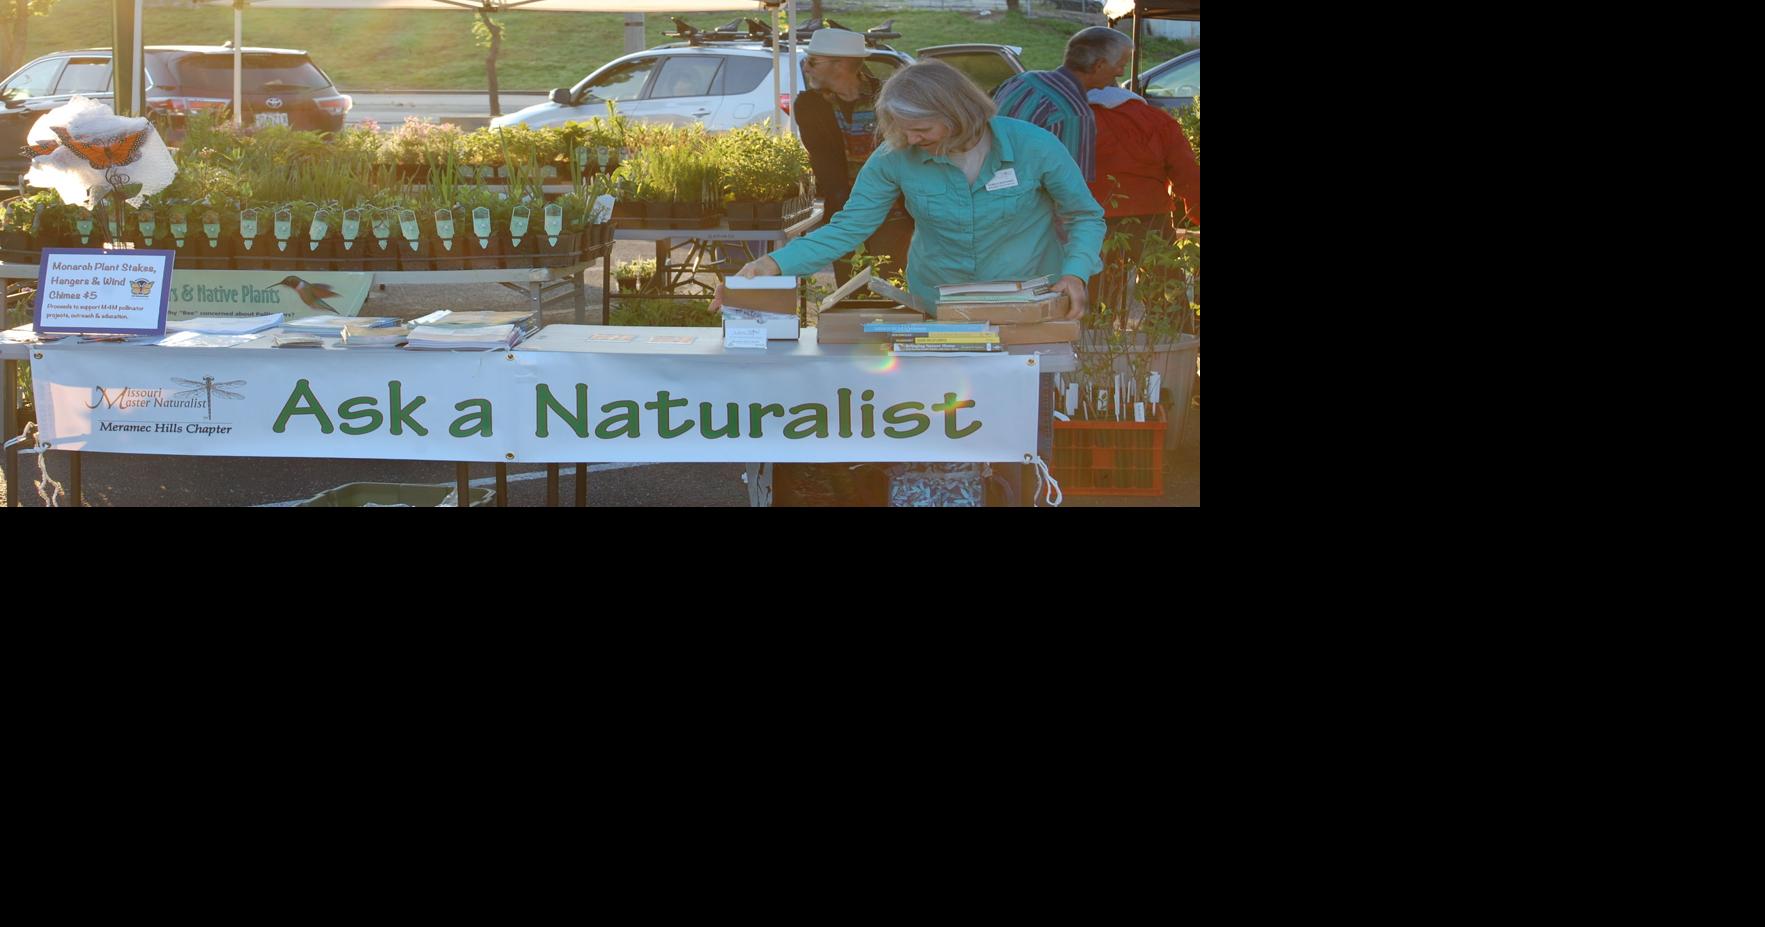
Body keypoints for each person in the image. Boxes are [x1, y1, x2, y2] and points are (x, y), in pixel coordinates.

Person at [714, 59, 1104, 320]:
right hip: (939, 305)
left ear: (959, 114)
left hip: (1028, 305)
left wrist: (1075, 272)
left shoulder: (1034, 146)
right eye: (902, 128)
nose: (910, 138)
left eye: (922, 129)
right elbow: (849, 226)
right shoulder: (894, 156)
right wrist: (773, 265)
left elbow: (1085, 215)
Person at [793, 28, 913, 285]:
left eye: (812, 61)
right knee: (849, 293)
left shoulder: (889, 97)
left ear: (841, 64)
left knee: (894, 289)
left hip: (894, 213)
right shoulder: (809, 105)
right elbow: (823, 159)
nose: (806, 68)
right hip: (844, 214)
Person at [991, 25, 1136, 183]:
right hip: (1025, 203)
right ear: (1099, 65)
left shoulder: (1021, 80)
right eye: (1121, 66)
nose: (1121, 73)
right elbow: (1071, 189)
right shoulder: (1075, 114)